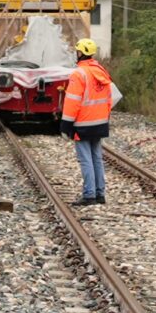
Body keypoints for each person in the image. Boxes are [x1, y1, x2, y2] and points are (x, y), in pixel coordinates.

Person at [60, 37, 115, 207]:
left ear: (81, 53)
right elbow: (109, 98)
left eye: (77, 51)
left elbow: (72, 101)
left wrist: (66, 124)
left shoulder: (79, 74)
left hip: (83, 124)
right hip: (99, 122)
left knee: (85, 159)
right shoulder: (101, 71)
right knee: (96, 158)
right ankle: (100, 193)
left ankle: (89, 194)